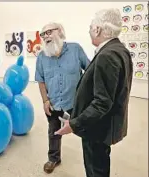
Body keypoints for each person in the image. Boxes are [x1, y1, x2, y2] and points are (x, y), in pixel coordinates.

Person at [55, 8, 133, 177]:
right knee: (100, 165)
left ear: (97, 29)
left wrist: (74, 124)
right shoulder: (119, 50)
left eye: (91, 27)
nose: (89, 30)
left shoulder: (108, 55)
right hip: (103, 126)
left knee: (95, 170)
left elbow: (102, 102)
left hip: (97, 129)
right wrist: (76, 114)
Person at [35, 22, 90, 174]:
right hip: (54, 105)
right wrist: (45, 100)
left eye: (49, 32)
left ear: (60, 31)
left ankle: (91, 159)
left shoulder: (75, 49)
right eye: (43, 34)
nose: (46, 36)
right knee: (53, 132)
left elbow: (90, 70)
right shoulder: (41, 57)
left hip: (75, 104)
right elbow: (40, 80)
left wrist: (85, 95)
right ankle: (53, 158)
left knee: (87, 131)